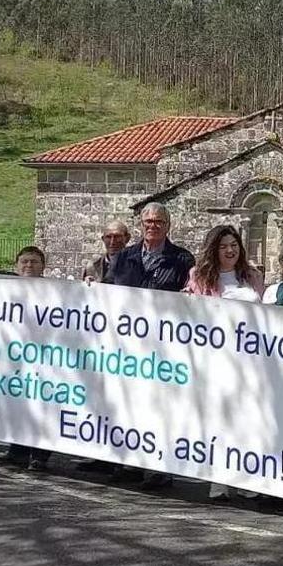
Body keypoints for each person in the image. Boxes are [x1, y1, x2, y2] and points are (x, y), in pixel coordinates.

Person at [99, 202, 194, 489]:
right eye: (148, 221)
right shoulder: (125, 256)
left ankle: (159, 468)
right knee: (128, 403)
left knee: (159, 408)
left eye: (159, 222)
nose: (153, 226)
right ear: (141, 224)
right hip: (128, 346)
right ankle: (128, 462)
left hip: (165, 348)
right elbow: (108, 291)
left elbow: (190, 297)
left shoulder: (182, 259)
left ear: (168, 226)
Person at [184, 225, 264, 501]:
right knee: (218, 419)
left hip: (248, 361)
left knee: (246, 418)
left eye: (234, 245)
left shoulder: (253, 276)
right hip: (215, 360)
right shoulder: (199, 277)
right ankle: (218, 480)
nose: (230, 250)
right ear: (213, 249)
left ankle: (245, 477)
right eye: (223, 246)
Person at [0, 247, 55, 471]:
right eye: (24, 262)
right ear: (16, 265)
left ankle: (40, 455)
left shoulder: (54, 290)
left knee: (42, 406)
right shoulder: (6, 289)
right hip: (16, 357)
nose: (29, 266)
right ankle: (17, 450)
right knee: (18, 403)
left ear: (43, 266)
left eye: (34, 262)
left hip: (46, 358)